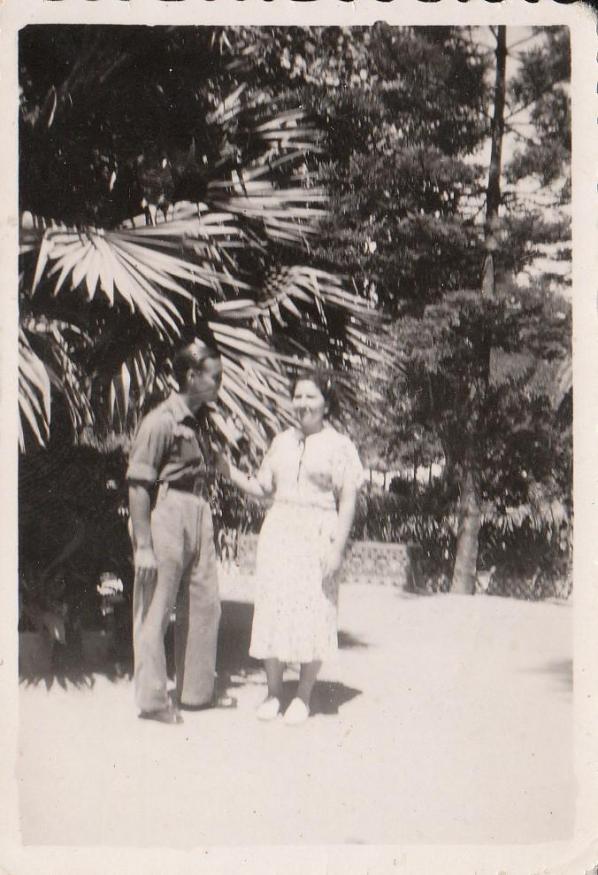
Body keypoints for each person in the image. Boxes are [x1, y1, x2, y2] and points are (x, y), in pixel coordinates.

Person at [218, 371, 363, 725]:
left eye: (311, 396)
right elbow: (263, 488)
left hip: (318, 535)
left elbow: (348, 500)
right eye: (298, 396)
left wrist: (337, 549)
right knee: (274, 610)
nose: (303, 403)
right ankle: (273, 693)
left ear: (326, 402)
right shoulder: (281, 442)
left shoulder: (340, 446)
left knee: (314, 611)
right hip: (279, 533)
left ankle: (303, 695)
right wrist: (228, 471)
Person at [127, 338, 223, 724]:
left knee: (204, 604)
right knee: (156, 606)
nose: (219, 384)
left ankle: (194, 694)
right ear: (191, 376)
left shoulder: (201, 422)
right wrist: (143, 546)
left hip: (199, 510)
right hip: (167, 511)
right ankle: (152, 701)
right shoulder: (160, 421)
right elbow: (138, 485)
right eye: (214, 377)